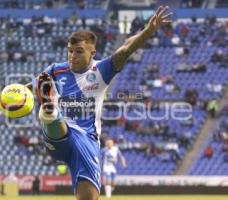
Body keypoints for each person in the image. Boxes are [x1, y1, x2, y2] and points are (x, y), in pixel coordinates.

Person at [26, 6, 172, 200]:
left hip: (87, 139)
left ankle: (49, 110)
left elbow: (126, 49)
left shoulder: (101, 70)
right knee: (52, 114)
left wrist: (148, 30)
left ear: (92, 52)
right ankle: (49, 109)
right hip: (60, 134)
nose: (72, 56)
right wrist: (6, 98)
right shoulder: (55, 70)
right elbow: (26, 89)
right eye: (70, 51)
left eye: (78, 51)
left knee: (89, 198)